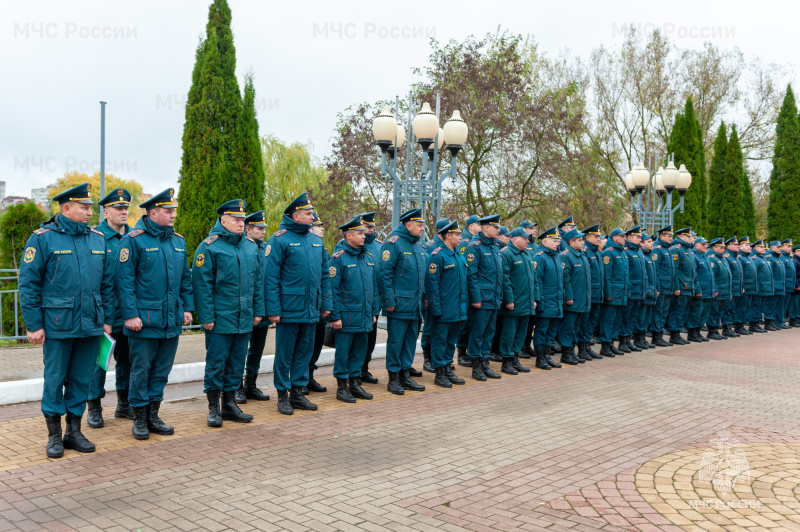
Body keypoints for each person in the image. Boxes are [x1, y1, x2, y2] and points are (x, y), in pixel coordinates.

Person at [19, 183, 114, 458]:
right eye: (83, 208)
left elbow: (106, 285)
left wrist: (105, 320)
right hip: (57, 324)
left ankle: (74, 431)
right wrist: (34, 324)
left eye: (89, 208)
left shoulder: (97, 239)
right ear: (66, 208)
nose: (88, 212)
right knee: (55, 380)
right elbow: (28, 285)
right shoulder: (43, 238)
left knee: (81, 380)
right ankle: (54, 436)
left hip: (91, 325)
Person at [116, 188, 194, 439]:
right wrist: (130, 314)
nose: (173, 215)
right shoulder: (134, 240)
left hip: (171, 320)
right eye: (167, 211)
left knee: (161, 370)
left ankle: (153, 415)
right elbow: (124, 282)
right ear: (152, 213)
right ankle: (138, 419)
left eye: (174, 211)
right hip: (144, 321)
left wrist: (187, 308)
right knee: (141, 370)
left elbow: (185, 279)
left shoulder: (177, 241)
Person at [193, 199, 265, 426]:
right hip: (220, 318)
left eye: (243, 220)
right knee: (216, 363)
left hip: (244, 317)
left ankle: (230, 405)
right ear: (223, 220)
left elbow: (257, 282)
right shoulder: (209, 246)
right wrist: (206, 317)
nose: (241, 224)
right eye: (236, 219)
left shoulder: (250, 246)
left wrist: (258, 311)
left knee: (236, 363)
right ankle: (214, 408)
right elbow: (201, 285)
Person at [264, 193, 332, 415]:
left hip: (311, 309)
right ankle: (282, 395)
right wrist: (273, 310)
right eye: (308, 213)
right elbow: (270, 277)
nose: (313, 216)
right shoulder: (279, 239)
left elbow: (324, 275)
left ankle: (298, 393)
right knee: (285, 354)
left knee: (304, 352)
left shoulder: (315, 241)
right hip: (288, 308)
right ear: (295, 215)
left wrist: (325, 303)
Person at [86, 188, 133, 429]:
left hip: (128, 313)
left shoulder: (135, 237)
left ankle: (124, 405)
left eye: (126, 208)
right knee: (99, 362)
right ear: (105, 212)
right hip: (102, 313)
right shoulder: (95, 237)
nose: (124, 212)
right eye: (118, 208)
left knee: (127, 360)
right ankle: (94, 407)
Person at [328, 215, 380, 403]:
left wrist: (374, 312)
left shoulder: (369, 257)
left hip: (365, 316)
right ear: (348, 236)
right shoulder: (338, 259)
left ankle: (355, 384)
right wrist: (335, 316)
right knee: (343, 353)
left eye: (363, 233)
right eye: (359, 233)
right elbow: (332, 290)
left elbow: (373, 289)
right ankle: (342, 387)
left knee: (360, 351)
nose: (364, 236)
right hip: (346, 316)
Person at [378, 208, 427, 394]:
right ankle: (393, 379)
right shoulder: (393, 244)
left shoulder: (418, 246)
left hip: (416, 306)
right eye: (419, 225)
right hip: (399, 305)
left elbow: (423, 277)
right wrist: (389, 301)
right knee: (396, 342)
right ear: (408, 225)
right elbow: (384, 275)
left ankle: (405, 375)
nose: (422, 228)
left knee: (409, 343)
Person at [425, 220, 468, 387]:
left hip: (457, 308)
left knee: (451, 341)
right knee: (440, 341)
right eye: (457, 234)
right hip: (444, 308)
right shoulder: (437, 255)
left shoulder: (459, 255)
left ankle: (448, 368)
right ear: (448, 235)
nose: (460, 237)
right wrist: (435, 308)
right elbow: (432, 284)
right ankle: (439, 372)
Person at [235, 210, 271, 404]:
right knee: (240, 350)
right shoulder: (240, 247)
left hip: (262, 309)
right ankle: (237, 387)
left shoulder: (266, 249)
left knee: (257, 350)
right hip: (246, 310)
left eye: (264, 228)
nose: (263, 232)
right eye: (259, 228)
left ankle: (251, 385)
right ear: (248, 229)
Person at [465, 214, 504, 380]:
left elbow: (498, 275)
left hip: (494, 298)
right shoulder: (474, 247)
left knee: (489, 333)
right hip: (481, 299)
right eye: (496, 227)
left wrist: (500, 296)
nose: (499, 230)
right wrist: (476, 298)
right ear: (486, 227)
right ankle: (476, 367)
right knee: (478, 333)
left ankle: (485, 364)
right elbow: (471, 275)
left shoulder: (495, 246)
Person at [497, 227, 538, 373]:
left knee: (521, 333)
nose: (528, 240)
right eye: (525, 238)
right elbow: (504, 280)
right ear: (515, 239)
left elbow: (534, 279)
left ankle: (515, 359)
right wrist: (509, 300)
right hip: (513, 303)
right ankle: (506, 361)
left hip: (526, 302)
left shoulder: (527, 254)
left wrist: (534, 299)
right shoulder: (506, 254)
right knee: (509, 334)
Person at [304, 211, 330, 395]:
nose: (321, 229)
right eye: (317, 226)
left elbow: (326, 280)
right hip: (305, 306)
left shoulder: (322, 250)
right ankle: (301, 379)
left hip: (318, 306)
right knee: (304, 346)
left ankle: (310, 376)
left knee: (317, 344)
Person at [421, 218, 451, 373]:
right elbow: (428, 274)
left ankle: (439, 358)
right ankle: (428, 358)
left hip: (444, 297)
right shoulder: (430, 247)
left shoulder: (449, 247)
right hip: (431, 296)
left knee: (442, 331)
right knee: (430, 327)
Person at [533, 226, 565, 369]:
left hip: (556, 302)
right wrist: (540, 302)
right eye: (554, 240)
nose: (557, 243)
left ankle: (547, 356)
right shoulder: (540, 258)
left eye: (558, 240)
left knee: (551, 331)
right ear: (545, 242)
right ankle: (540, 358)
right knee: (541, 330)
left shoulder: (557, 257)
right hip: (546, 302)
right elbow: (537, 282)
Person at [558, 227, 590, 365]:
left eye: (582, 239)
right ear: (571, 242)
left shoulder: (581, 254)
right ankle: (566, 353)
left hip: (582, 298)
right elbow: (566, 279)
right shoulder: (566, 256)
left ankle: (572, 351)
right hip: (573, 300)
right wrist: (569, 297)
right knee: (568, 327)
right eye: (580, 240)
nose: (582, 242)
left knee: (576, 327)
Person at [358, 211, 382, 383]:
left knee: (370, 340)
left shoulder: (380, 247)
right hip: (357, 303)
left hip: (374, 301)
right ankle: (355, 371)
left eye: (372, 227)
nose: (370, 230)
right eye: (367, 227)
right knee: (357, 340)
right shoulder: (345, 245)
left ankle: (364, 369)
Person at [598, 227, 629, 357]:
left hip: (622, 292)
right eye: (622, 236)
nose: (625, 238)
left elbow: (625, 275)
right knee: (608, 319)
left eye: (625, 236)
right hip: (613, 293)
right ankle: (605, 345)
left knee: (617, 320)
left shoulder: (622, 253)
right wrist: (608, 294)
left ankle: (611, 343)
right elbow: (607, 276)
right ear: (615, 238)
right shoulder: (608, 253)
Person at [455, 214, 480, 367]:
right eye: (478, 224)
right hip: (464, 288)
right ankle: (461, 353)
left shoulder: (475, 242)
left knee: (471, 322)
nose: (481, 227)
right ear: (471, 226)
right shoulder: (464, 242)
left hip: (472, 287)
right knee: (464, 323)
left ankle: (470, 352)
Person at [577, 225, 604, 360]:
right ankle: (582, 348)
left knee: (592, 321)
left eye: (599, 236)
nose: (599, 239)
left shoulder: (597, 251)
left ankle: (587, 346)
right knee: (585, 322)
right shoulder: (585, 251)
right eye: (596, 236)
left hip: (597, 293)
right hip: (588, 294)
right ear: (587, 238)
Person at [667, 228, 696, 345]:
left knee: (683, 311)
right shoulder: (676, 249)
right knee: (677, 311)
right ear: (681, 237)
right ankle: (674, 334)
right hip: (681, 287)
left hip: (688, 286)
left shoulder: (688, 250)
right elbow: (675, 270)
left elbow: (692, 271)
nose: (691, 239)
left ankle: (678, 332)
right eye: (688, 237)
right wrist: (676, 287)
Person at [650, 226, 676, 347]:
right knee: (658, 312)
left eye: (671, 236)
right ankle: (656, 336)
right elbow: (655, 270)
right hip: (661, 287)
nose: (671, 238)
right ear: (661, 236)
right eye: (669, 236)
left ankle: (659, 335)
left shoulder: (667, 249)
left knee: (664, 312)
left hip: (668, 287)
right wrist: (657, 287)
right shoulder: (658, 250)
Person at [620, 226, 645, 353]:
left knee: (633, 316)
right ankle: (623, 341)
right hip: (630, 291)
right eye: (638, 237)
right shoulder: (627, 252)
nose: (640, 239)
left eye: (640, 237)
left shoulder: (639, 252)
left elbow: (643, 273)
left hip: (638, 291)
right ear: (629, 238)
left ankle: (628, 339)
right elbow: (625, 274)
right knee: (626, 316)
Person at [686, 237, 715, 342]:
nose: (705, 246)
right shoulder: (694, 257)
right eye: (702, 244)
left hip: (708, 290)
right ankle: (692, 333)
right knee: (696, 313)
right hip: (700, 290)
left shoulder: (705, 256)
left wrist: (713, 289)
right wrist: (697, 289)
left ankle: (698, 331)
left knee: (704, 313)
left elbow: (711, 275)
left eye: (705, 244)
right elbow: (695, 275)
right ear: (696, 245)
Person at [519, 219, 539, 359]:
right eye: (531, 228)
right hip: (522, 291)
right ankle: (520, 347)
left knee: (531, 322)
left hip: (532, 288)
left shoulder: (535, 246)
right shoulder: (522, 247)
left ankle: (527, 345)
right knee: (522, 323)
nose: (534, 230)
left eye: (534, 228)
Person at [707, 238, 732, 340]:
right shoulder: (712, 258)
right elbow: (712, 276)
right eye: (720, 247)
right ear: (714, 247)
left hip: (725, 290)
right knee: (714, 311)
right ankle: (712, 331)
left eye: (723, 248)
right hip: (718, 291)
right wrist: (715, 289)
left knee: (720, 312)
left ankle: (716, 330)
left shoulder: (723, 258)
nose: (723, 249)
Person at [636, 233, 658, 349]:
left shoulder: (650, 255)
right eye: (648, 241)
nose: (652, 243)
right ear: (642, 243)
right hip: (645, 291)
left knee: (647, 317)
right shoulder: (642, 256)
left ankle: (643, 338)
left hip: (652, 291)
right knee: (641, 316)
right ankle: (638, 338)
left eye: (652, 241)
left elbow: (654, 275)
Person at [735, 237, 758, 334]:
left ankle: (743, 325)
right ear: (739, 246)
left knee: (747, 307)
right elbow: (739, 274)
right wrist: (742, 286)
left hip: (751, 287)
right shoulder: (740, 258)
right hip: (744, 287)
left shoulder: (749, 258)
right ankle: (738, 326)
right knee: (741, 307)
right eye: (746, 245)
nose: (749, 247)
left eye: (749, 245)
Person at [722, 237, 744, 337]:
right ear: (729, 246)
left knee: (732, 309)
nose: (738, 246)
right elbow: (727, 275)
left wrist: (741, 286)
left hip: (736, 288)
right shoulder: (727, 257)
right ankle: (726, 329)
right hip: (730, 288)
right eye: (735, 245)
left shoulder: (735, 258)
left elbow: (739, 275)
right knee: (728, 308)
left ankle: (730, 327)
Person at [751, 240, 774, 331]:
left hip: (764, 287)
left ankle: (756, 323)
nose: (763, 248)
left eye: (763, 247)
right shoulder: (755, 258)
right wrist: (756, 286)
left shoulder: (762, 258)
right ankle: (753, 324)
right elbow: (754, 274)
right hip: (758, 287)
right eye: (760, 247)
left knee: (759, 306)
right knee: (756, 306)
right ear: (754, 248)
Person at [764, 240, 786, 331]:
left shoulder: (778, 258)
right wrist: (772, 285)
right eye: (778, 247)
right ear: (772, 247)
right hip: (774, 286)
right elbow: (769, 273)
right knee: (770, 305)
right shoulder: (770, 257)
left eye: (780, 247)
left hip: (780, 286)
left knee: (776, 305)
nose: (780, 248)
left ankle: (773, 322)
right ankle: (768, 323)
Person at [779, 239, 795, 328]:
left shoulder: (788, 257)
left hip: (789, 285)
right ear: (782, 247)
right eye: (788, 246)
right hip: (784, 285)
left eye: (790, 247)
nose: (790, 248)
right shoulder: (782, 257)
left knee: (785, 305)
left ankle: (782, 322)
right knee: (781, 305)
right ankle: (779, 322)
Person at [791, 244, 800, 327]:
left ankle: (797, 318)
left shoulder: (798, 260)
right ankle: (793, 319)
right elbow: (794, 274)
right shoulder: (794, 261)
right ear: (796, 252)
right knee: (794, 303)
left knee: (797, 303)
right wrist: (797, 285)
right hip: (796, 285)